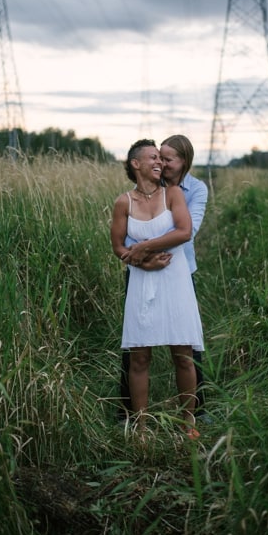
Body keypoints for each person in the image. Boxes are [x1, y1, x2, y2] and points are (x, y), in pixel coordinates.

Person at [111, 139, 205, 439]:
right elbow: (117, 247)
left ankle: (188, 423)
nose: (159, 163)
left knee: (183, 353)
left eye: (162, 159)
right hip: (143, 279)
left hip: (175, 277)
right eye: (152, 157)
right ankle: (140, 426)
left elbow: (184, 231)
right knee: (139, 356)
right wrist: (141, 263)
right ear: (135, 164)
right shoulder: (123, 202)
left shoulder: (174, 194)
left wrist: (143, 248)